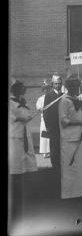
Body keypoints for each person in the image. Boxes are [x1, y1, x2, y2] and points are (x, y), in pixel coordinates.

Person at [58, 75, 82, 199]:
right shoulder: (64, 101)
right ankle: (70, 193)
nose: (77, 88)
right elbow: (64, 121)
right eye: (74, 86)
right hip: (70, 140)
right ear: (69, 87)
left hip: (80, 137)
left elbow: (79, 116)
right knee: (71, 168)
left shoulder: (77, 99)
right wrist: (81, 122)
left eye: (78, 85)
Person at [9, 79, 38, 221]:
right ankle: (15, 198)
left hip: (23, 136)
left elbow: (28, 114)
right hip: (14, 138)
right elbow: (25, 115)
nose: (25, 89)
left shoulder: (21, 102)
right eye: (22, 87)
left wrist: (26, 109)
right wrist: (27, 111)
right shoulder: (12, 103)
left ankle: (27, 196)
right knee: (15, 168)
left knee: (25, 167)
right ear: (15, 89)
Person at [43, 73, 63, 175]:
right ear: (52, 84)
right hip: (53, 126)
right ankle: (55, 166)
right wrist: (48, 127)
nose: (58, 85)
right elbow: (45, 112)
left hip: (63, 126)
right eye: (56, 84)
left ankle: (62, 165)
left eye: (59, 83)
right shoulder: (49, 96)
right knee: (54, 147)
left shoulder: (64, 95)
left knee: (62, 146)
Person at [36, 79, 52, 158]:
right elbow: (38, 108)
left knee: (51, 135)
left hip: (51, 119)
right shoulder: (40, 99)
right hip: (44, 119)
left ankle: (51, 151)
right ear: (43, 90)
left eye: (48, 88)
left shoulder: (52, 98)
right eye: (45, 89)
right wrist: (43, 108)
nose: (46, 90)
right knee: (44, 135)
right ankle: (44, 152)